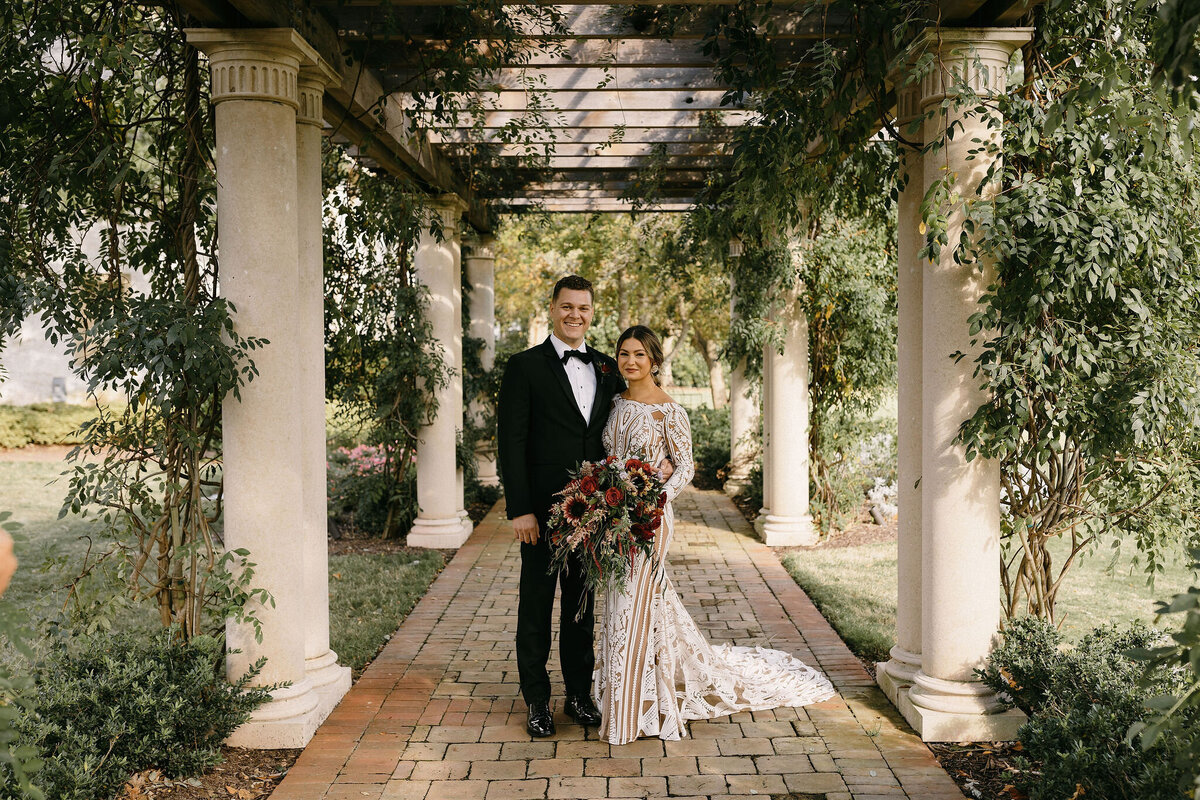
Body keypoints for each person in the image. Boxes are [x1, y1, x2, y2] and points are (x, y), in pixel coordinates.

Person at [593, 325, 836, 745]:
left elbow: (684, 466)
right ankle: (628, 690)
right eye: (624, 353)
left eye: (639, 355)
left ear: (654, 360)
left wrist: (658, 499)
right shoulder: (614, 402)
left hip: (651, 519)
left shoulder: (669, 411)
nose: (630, 361)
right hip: (614, 515)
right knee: (623, 604)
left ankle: (632, 712)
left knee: (633, 602)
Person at [497, 276, 674, 738]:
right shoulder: (524, 366)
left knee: (581, 607)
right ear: (552, 309)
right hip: (540, 513)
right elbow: (510, 444)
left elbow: (632, 423)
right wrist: (520, 509)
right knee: (535, 606)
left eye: (584, 308)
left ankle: (578, 695)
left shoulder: (607, 367)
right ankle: (537, 700)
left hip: (594, 514)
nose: (575, 315)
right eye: (567, 306)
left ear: (591, 313)